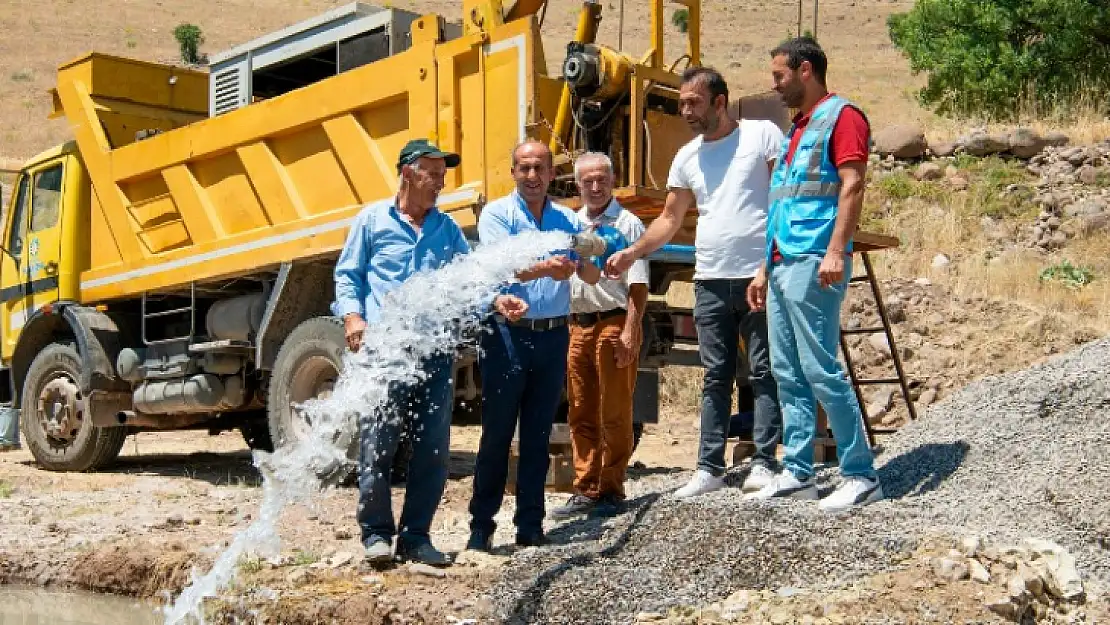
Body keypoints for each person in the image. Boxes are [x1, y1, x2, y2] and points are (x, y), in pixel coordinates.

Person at [334, 138, 528, 566]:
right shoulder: (372, 221)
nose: (441, 181)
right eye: (433, 173)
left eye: (443, 174)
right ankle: (377, 534)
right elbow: (348, 277)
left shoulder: (447, 231)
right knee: (377, 445)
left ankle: (417, 537)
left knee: (432, 450)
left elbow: (470, 281)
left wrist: (496, 301)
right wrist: (352, 318)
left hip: (434, 355)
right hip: (385, 354)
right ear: (407, 172)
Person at [606, 66, 786, 498]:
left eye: (693, 102)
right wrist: (634, 251)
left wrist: (771, 262)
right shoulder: (687, 157)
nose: (685, 110)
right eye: (683, 102)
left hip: (756, 277)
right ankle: (709, 468)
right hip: (710, 280)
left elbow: (784, 199)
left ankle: (764, 462)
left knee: (763, 372)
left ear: (719, 102)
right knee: (715, 376)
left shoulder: (761, 136)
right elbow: (670, 218)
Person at [744, 37, 883, 511]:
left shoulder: (842, 117)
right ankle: (798, 472)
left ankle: (860, 473)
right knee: (786, 371)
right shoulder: (795, 130)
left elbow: (853, 184)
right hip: (783, 262)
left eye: (779, 75)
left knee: (821, 369)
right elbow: (782, 203)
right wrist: (764, 268)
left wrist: (837, 251)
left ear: (806, 70)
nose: (774, 85)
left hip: (813, 261)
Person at [466, 140, 601, 552]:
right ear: (513, 172)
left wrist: (593, 260)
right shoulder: (497, 215)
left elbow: (591, 276)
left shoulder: (566, 220)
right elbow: (498, 266)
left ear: (551, 174)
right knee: (497, 434)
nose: (532, 176)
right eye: (524, 168)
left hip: (553, 335)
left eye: (539, 168)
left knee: (538, 437)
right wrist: (548, 267)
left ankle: (530, 527)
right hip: (507, 333)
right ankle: (481, 528)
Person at [549, 152, 649, 520]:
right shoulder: (571, 225)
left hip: (613, 321)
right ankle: (585, 487)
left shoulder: (628, 225)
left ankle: (611, 488)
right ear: (577, 185)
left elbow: (638, 286)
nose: (594, 186)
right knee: (581, 410)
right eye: (587, 180)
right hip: (578, 324)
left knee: (615, 412)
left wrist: (630, 331)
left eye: (601, 179)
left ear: (612, 180)